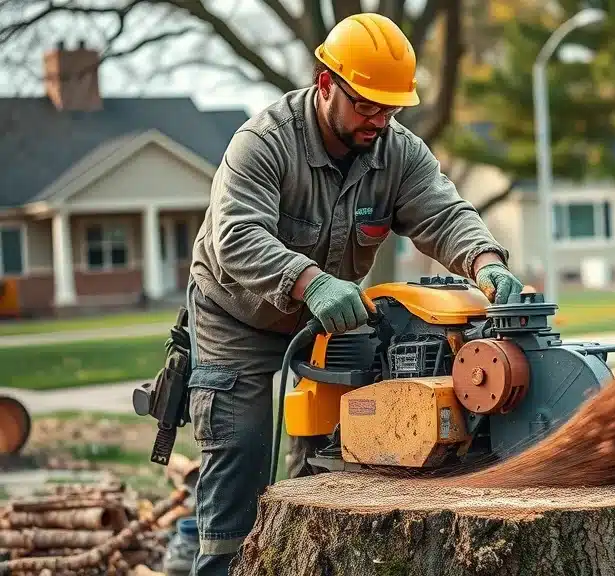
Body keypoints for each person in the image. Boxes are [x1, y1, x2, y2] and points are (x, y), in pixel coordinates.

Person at [183, 12, 523, 575]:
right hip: (236, 316)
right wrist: (309, 280)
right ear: (325, 86)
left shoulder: (399, 152)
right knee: (240, 454)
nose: (378, 120)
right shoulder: (264, 143)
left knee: (348, 448)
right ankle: (219, 563)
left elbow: (444, 214)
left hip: (330, 320)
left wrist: (485, 263)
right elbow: (235, 238)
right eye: (365, 105)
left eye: (389, 108)